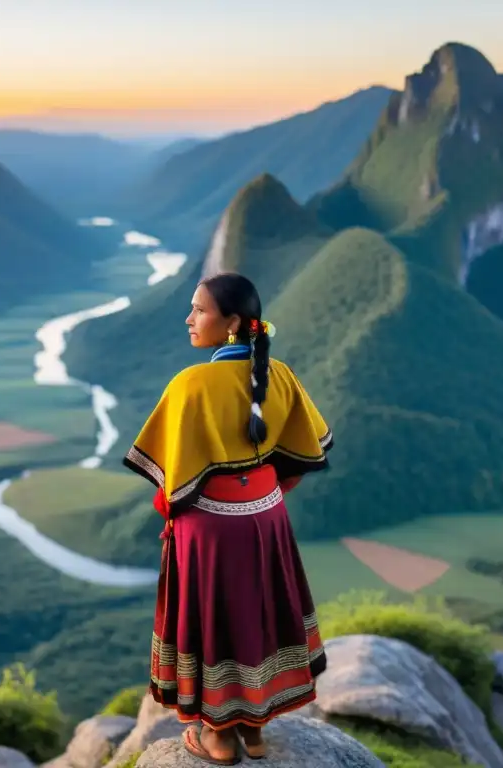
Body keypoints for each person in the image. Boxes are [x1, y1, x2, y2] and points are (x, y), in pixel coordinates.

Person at [122, 272, 333, 765]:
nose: (189, 318)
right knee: (257, 613)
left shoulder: (191, 385)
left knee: (215, 619)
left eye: (199, 310)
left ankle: (217, 737)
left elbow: (170, 485)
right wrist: (259, 497)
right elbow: (303, 457)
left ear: (233, 323)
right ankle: (254, 729)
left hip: (211, 531)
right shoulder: (279, 375)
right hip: (267, 518)